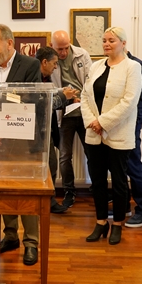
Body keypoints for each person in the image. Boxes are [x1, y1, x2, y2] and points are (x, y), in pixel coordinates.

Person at [0, 23, 42, 266]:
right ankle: (10, 236)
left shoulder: (30, 65)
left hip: (24, 140)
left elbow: (30, 98)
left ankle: (31, 242)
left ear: (9, 43)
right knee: (4, 188)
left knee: (26, 191)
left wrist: (3, 116)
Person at [81, 27, 142, 245]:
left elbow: (130, 101)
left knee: (118, 182)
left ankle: (117, 224)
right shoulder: (96, 66)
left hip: (118, 134)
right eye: (104, 40)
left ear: (123, 43)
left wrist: (103, 122)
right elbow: (85, 96)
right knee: (97, 181)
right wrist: (92, 121)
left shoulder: (133, 67)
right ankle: (100, 222)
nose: (106, 44)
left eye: (112, 40)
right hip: (94, 134)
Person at [50, 30, 92, 209]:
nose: (63, 52)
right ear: (52, 46)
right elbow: (50, 88)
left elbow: (91, 81)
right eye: (59, 49)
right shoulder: (49, 60)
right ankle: (69, 191)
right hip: (64, 114)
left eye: (66, 48)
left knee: (92, 153)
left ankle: (98, 188)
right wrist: (66, 98)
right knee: (64, 155)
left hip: (84, 112)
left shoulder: (82, 55)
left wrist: (82, 99)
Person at [36, 46, 79, 214]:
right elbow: (43, 105)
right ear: (44, 62)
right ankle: (46, 202)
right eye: (54, 63)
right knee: (49, 166)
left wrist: (69, 100)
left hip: (47, 131)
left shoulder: (46, 79)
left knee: (52, 166)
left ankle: (48, 201)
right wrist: (63, 96)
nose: (56, 67)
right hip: (37, 132)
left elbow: (52, 102)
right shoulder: (34, 79)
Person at [123, 51, 142, 228]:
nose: (107, 45)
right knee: (120, 166)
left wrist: (134, 126)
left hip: (132, 124)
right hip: (117, 124)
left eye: (111, 41)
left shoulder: (140, 66)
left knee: (133, 165)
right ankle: (123, 206)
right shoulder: (114, 66)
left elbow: (141, 101)